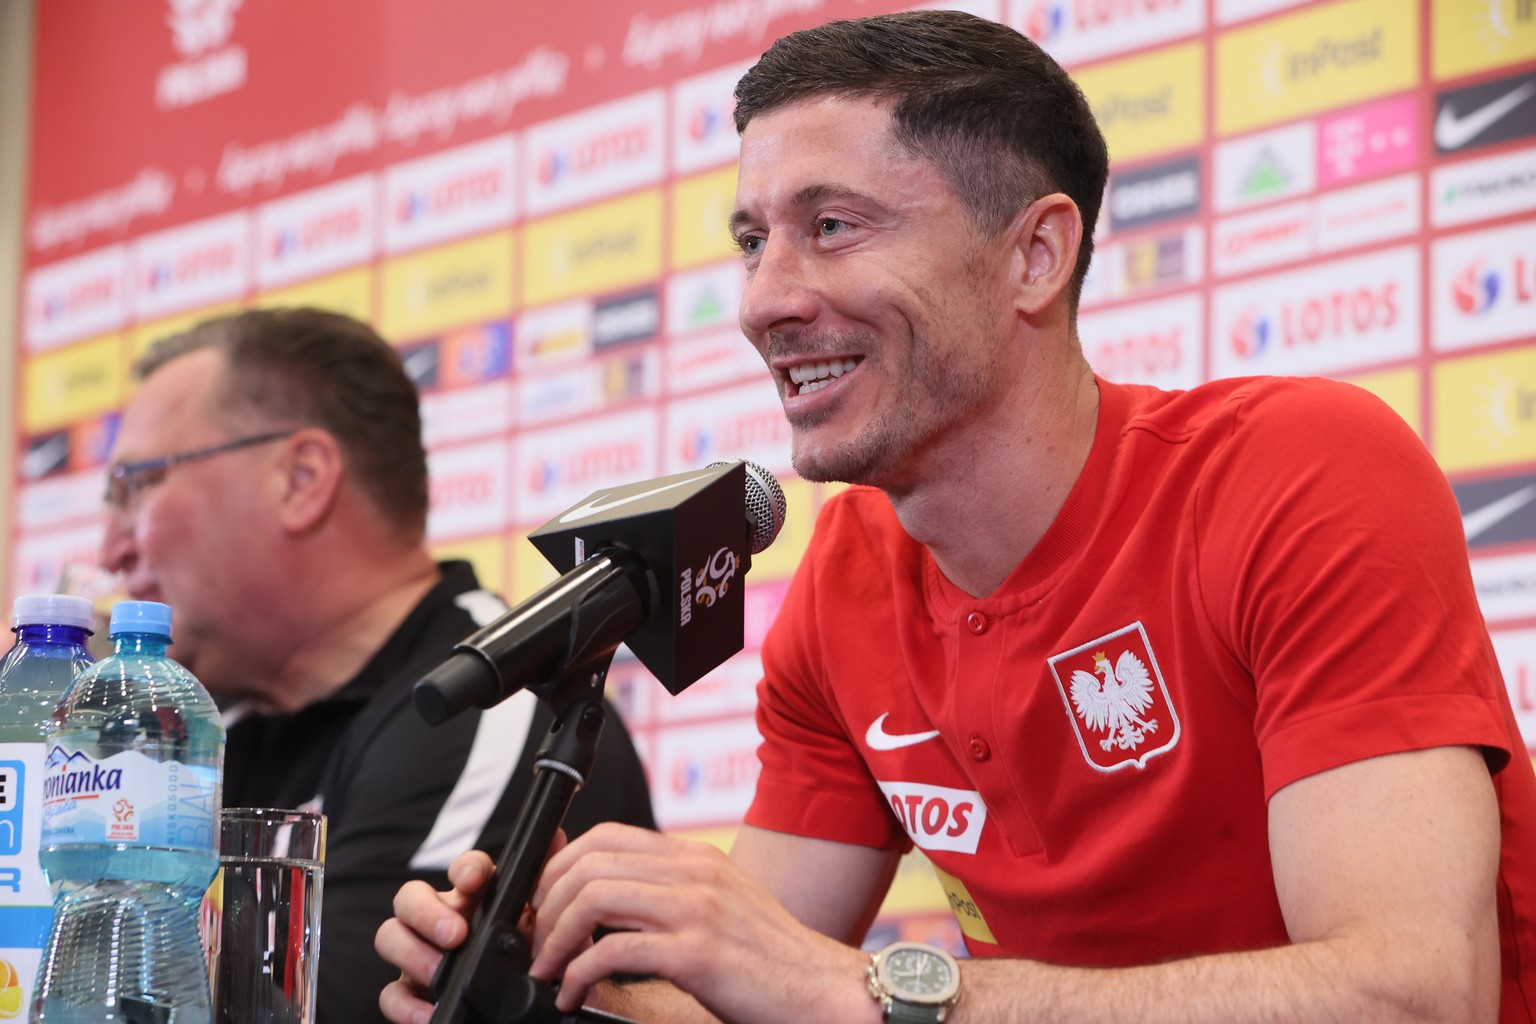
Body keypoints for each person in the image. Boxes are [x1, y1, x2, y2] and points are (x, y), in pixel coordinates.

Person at [377, 10, 1536, 1024]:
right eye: (751, 240)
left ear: (1035, 255)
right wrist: (549, 969)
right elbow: (755, 990)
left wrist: (872, 993)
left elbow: (1415, 995)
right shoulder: (847, 578)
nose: (766, 301)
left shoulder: (1298, 471)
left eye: (831, 225)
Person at [98, 307, 656, 1024]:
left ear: (301, 478)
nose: (110, 547)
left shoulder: (494, 700)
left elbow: (328, 1012)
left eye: (135, 486)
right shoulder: (211, 728)